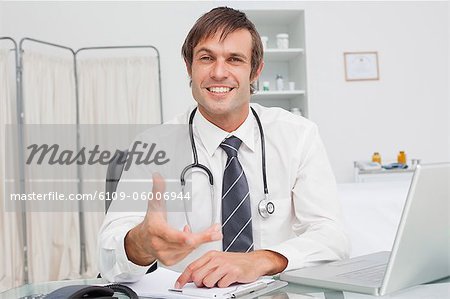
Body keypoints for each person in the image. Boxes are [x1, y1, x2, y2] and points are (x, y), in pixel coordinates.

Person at [98, 6, 349, 288]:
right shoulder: (151, 145)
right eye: (206, 58)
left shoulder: (298, 135)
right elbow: (108, 257)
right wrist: (139, 244)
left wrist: (261, 260)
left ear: (255, 71)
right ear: (189, 66)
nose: (219, 72)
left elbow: (332, 237)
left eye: (234, 59)